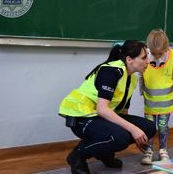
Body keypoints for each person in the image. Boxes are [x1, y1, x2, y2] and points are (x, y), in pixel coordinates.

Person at [59, 40, 156, 174]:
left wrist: (136, 133)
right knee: (120, 137)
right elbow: (102, 109)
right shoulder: (111, 71)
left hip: (99, 115)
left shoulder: (132, 78)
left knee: (148, 128)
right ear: (129, 59)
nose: (148, 61)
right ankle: (77, 156)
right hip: (81, 116)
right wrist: (133, 129)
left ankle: (104, 152)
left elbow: (123, 110)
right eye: (144, 57)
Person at [139, 29, 173, 165]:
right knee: (149, 127)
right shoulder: (144, 56)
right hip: (150, 102)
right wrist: (142, 92)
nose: (157, 56)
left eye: (160, 53)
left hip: (166, 103)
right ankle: (148, 150)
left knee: (163, 126)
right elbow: (141, 77)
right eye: (154, 53)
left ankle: (163, 150)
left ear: (166, 48)